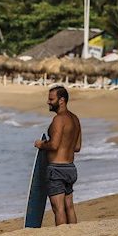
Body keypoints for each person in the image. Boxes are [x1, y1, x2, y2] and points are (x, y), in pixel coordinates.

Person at [34, 85, 82, 226]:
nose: (48, 102)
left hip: (57, 169)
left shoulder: (59, 120)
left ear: (61, 100)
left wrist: (41, 144)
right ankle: (73, 233)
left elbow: (54, 145)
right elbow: (77, 147)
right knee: (69, 207)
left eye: (51, 99)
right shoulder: (75, 119)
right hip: (70, 169)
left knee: (58, 209)